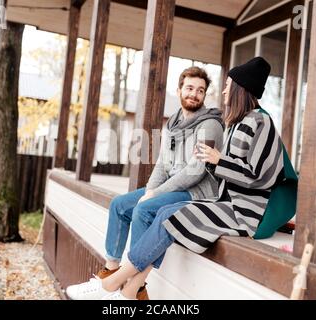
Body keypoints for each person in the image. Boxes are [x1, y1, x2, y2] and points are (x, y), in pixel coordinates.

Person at [65, 56, 298, 300]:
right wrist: (153, 189)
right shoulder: (236, 123)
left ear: (242, 88)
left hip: (245, 213)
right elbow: (170, 164)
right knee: (163, 212)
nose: (225, 90)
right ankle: (129, 292)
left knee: (166, 213)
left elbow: (262, 176)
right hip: (227, 203)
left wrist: (218, 161)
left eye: (229, 85)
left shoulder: (260, 121)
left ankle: (110, 285)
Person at [66, 66, 225, 300]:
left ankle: (135, 286)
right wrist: (150, 190)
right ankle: (110, 271)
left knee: (145, 209)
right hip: (172, 186)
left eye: (200, 90)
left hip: (197, 192)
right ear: (179, 89)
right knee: (120, 205)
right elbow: (162, 164)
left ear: (204, 95)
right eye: (189, 88)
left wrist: (155, 195)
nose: (194, 94)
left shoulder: (210, 125)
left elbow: (195, 172)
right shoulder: (173, 123)